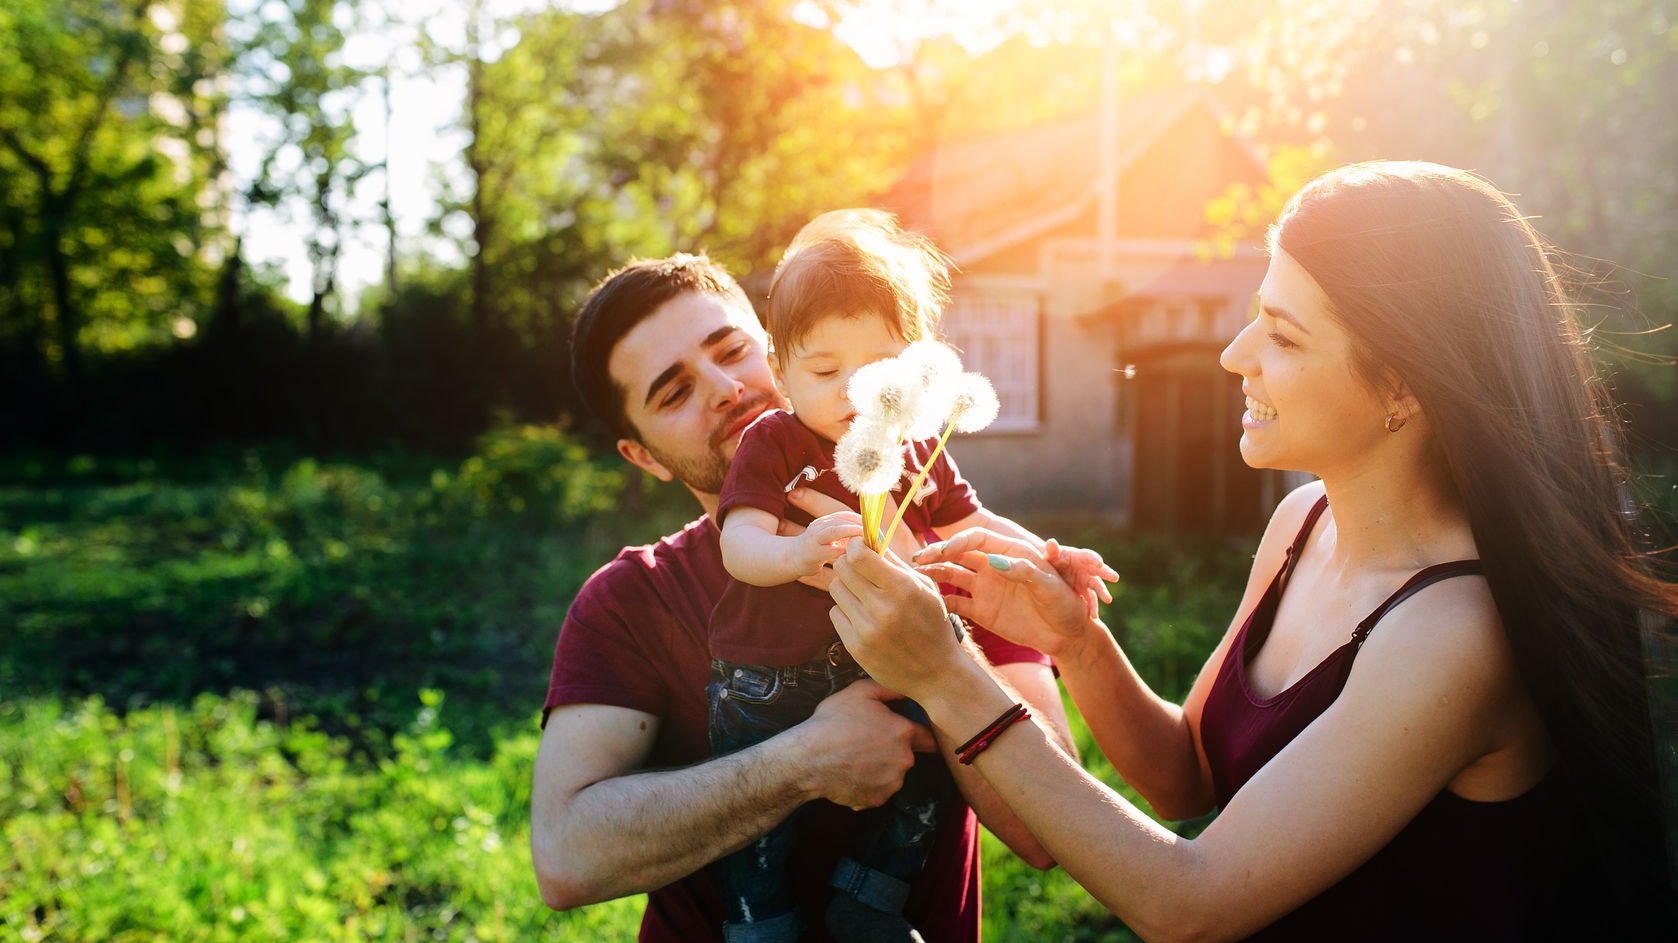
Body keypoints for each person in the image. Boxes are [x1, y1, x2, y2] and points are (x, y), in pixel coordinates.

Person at [826, 161, 1678, 941]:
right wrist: (1077, 643)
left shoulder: (1458, 634)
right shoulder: (1303, 523)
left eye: (1284, 335)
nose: (1235, 356)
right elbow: (1187, 775)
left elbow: (1187, 901)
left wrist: (948, 676)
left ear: (1406, 386)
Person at [529, 252, 1078, 943]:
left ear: (774, 346)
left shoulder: (955, 551)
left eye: (731, 349)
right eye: (674, 393)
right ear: (644, 455)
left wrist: (937, 632)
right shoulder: (630, 601)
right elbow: (565, 858)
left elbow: (1047, 830)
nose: (726, 387)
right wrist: (800, 762)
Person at [706, 210, 1116, 942]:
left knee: (928, 776)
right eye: (826, 372)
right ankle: (757, 916)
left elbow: (975, 526)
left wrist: (1052, 557)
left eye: (879, 372)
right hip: (772, 680)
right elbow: (738, 544)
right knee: (757, 828)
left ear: (915, 366)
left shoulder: (919, 447)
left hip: (891, 670)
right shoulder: (773, 441)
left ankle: (870, 895)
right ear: (780, 367)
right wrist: (796, 555)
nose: (855, 394)